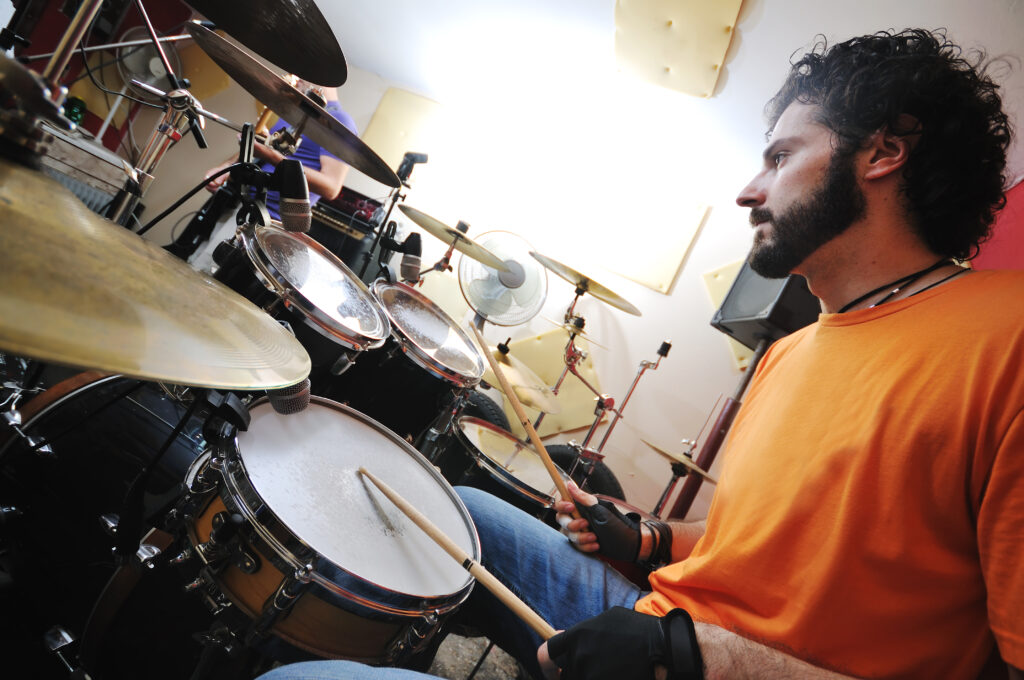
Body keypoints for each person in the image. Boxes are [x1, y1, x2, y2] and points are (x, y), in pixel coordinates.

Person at [255, 28, 1023, 680]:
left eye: (781, 156)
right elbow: (746, 544)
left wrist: (696, 659)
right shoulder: (795, 349)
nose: (750, 191)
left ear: (883, 153)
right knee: (452, 507)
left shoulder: (1006, 341)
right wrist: (647, 537)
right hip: (670, 620)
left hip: (715, 662)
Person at [189, 79, 353, 272]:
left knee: (209, 273)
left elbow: (331, 187)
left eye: (303, 72)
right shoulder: (295, 110)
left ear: (321, 76)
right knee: (198, 264)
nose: (297, 78)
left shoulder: (341, 122)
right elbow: (263, 147)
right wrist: (224, 167)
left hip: (270, 221)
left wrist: (272, 157)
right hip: (243, 205)